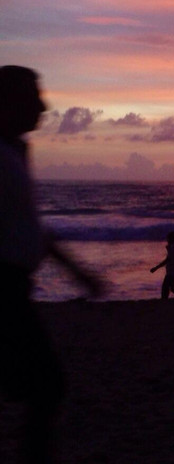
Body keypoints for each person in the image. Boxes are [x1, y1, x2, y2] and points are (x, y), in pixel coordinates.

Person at [1, 66, 103, 463]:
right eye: (33, 97)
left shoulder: (15, 152)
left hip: (16, 288)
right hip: (4, 288)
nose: (43, 107)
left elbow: (31, 227)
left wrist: (76, 271)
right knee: (46, 385)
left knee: (40, 386)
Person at [149, 231, 174, 300]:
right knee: (172, 287)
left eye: (168, 238)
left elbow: (169, 259)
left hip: (172, 270)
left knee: (167, 287)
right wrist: (169, 249)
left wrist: (156, 268)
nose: (167, 240)